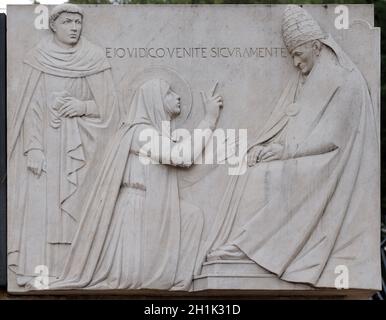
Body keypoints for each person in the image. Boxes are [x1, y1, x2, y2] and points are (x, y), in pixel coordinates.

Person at [202, 5, 380, 289]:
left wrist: (287, 151)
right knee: (252, 169)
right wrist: (270, 146)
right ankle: (243, 246)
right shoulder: (310, 79)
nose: (295, 62)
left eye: (298, 53)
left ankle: (248, 248)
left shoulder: (346, 80)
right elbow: (296, 128)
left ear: (315, 46)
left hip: (333, 166)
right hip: (308, 157)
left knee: (268, 177)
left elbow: (333, 138)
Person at [48, 78, 223, 290]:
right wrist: (209, 119)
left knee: (192, 216)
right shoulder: (141, 132)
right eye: (169, 93)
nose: (177, 97)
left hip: (152, 205)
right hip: (137, 210)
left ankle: (178, 282)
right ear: (153, 101)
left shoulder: (154, 134)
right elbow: (182, 157)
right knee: (191, 217)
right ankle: (163, 279)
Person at [8, 4, 119, 286]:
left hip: (80, 150)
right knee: (41, 210)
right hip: (46, 146)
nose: (74, 27)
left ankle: (76, 271)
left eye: (78, 22)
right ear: (53, 25)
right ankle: (36, 272)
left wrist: (81, 106)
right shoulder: (37, 58)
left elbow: (110, 110)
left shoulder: (93, 57)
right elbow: (30, 108)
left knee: (75, 211)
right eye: (68, 22)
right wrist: (32, 147)